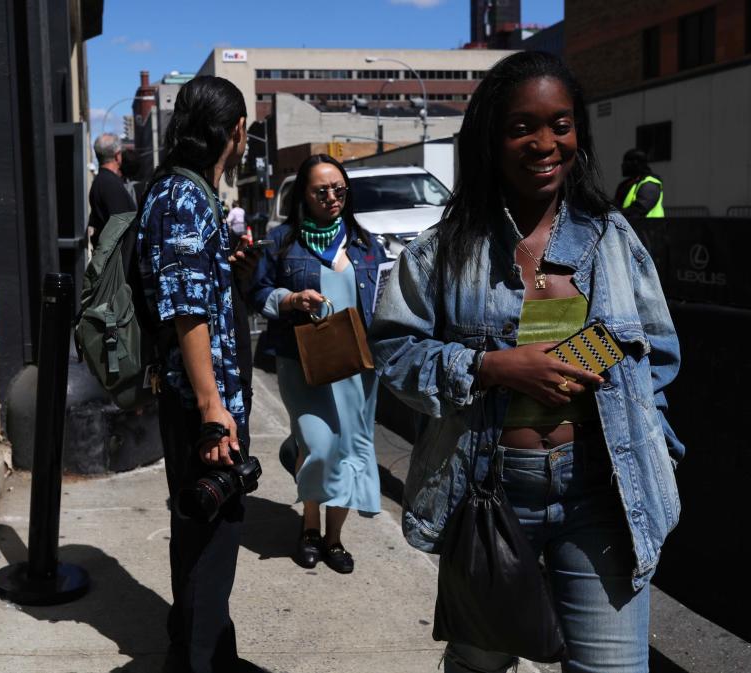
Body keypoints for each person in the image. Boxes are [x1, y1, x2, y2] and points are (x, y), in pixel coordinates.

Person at [370, 52, 683, 673]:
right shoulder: (443, 250)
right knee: (480, 664)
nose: (546, 143)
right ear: (492, 137)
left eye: (560, 125)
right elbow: (393, 350)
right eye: (523, 128)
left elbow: (659, 358)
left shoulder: (612, 238)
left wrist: (662, 452)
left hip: (601, 495)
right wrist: (489, 368)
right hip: (488, 490)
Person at [136, 75, 260, 673]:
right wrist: (214, 411)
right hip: (201, 407)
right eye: (247, 129)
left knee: (198, 534)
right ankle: (200, 661)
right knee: (214, 541)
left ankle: (200, 649)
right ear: (233, 131)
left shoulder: (180, 195)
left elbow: (193, 290)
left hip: (197, 401)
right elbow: (185, 310)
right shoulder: (184, 198)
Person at [250, 154, 387, 574]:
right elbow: (257, 294)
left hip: (356, 364)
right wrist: (289, 300)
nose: (332, 197)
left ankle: (333, 538)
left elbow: (383, 297)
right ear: (303, 196)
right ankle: (309, 526)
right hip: (303, 360)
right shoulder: (281, 242)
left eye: (339, 189)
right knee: (320, 446)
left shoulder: (365, 243)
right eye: (321, 190)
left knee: (350, 450)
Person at [88, 133, 136, 248]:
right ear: (117, 156)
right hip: (119, 261)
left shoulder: (101, 181)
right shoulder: (110, 184)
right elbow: (124, 230)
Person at [614, 148, 665, 219]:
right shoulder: (626, 184)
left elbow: (639, 209)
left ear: (635, 162)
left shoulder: (650, 183)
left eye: (626, 162)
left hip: (650, 228)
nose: (622, 165)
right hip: (631, 227)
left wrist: (616, 216)